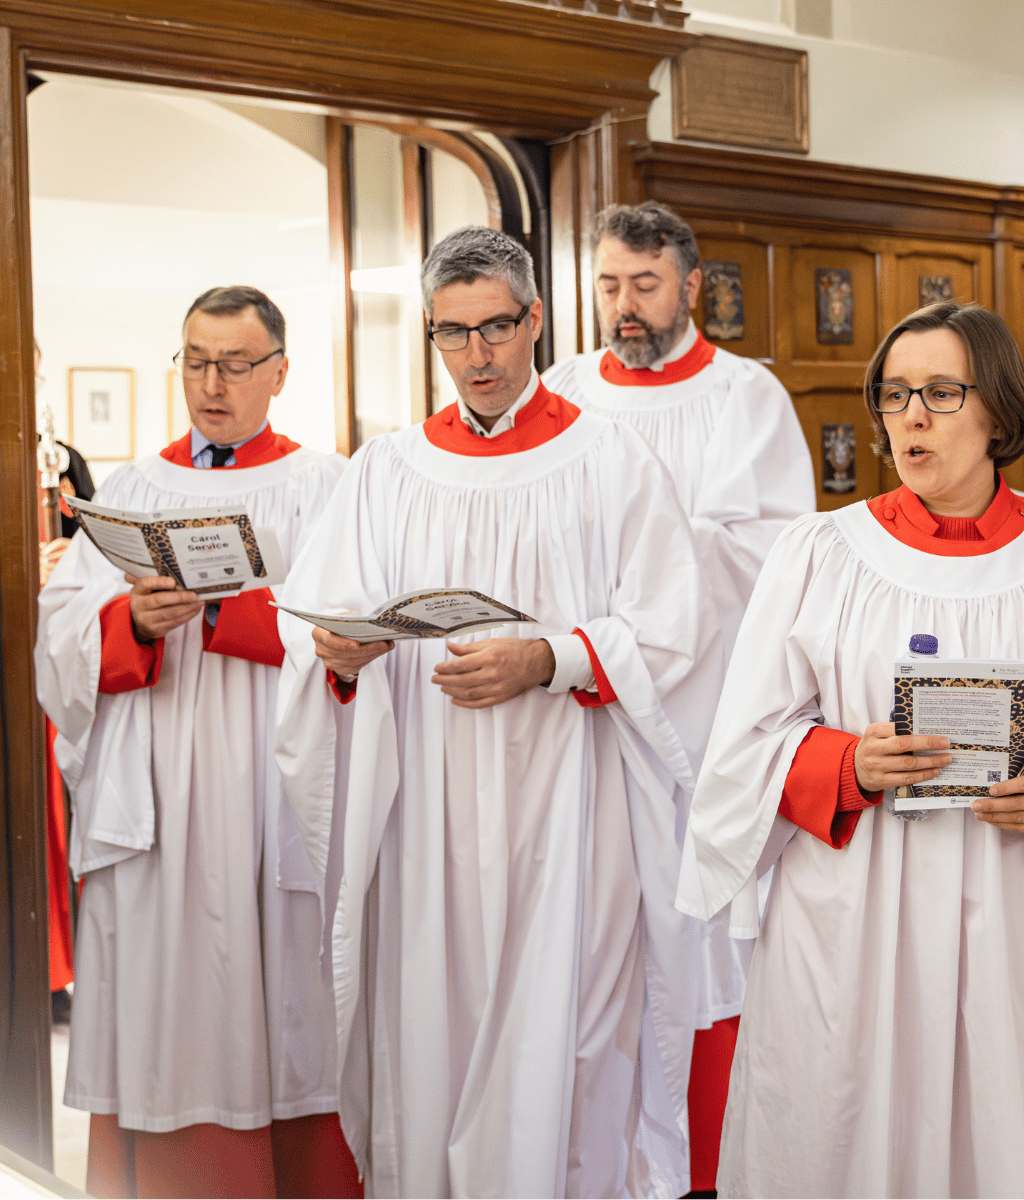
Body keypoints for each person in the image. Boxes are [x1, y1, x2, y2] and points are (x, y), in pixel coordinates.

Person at [676, 300, 1024, 1197]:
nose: (911, 416)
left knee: (1008, 1141)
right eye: (894, 394)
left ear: (997, 410)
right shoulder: (819, 554)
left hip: (1015, 917)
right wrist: (846, 764)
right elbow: (741, 751)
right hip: (851, 918)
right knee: (843, 1139)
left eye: (941, 393)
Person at [274, 227, 722, 1198]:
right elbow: (318, 629)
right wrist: (339, 659)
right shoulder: (389, 471)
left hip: (573, 806)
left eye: (496, 329)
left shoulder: (611, 458)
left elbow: (677, 630)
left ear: (536, 321)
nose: (476, 357)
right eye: (452, 334)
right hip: (426, 815)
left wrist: (551, 659)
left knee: (571, 1035)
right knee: (432, 1026)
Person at [36, 287, 357, 1199]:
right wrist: (129, 623)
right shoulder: (133, 490)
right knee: (168, 1007)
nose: (212, 385)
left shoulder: (328, 487)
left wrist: (234, 616)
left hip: (274, 791)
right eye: (197, 362)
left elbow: (360, 634)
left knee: (287, 1007)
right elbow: (58, 635)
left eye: (236, 365)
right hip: (159, 800)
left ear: (279, 374)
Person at [543, 199, 815, 1194]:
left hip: (699, 714)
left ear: (691, 286)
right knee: (588, 929)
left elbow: (776, 555)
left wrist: (653, 558)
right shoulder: (562, 391)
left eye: (645, 284)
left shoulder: (746, 396)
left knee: (696, 938)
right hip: (577, 707)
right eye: (609, 284)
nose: (625, 304)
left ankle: (705, 1167)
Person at [34, 339, 96, 1024]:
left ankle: (55, 975)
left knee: (56, 823)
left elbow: (103, 554)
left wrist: (68, 565)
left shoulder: (64, 462)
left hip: (49, 662)